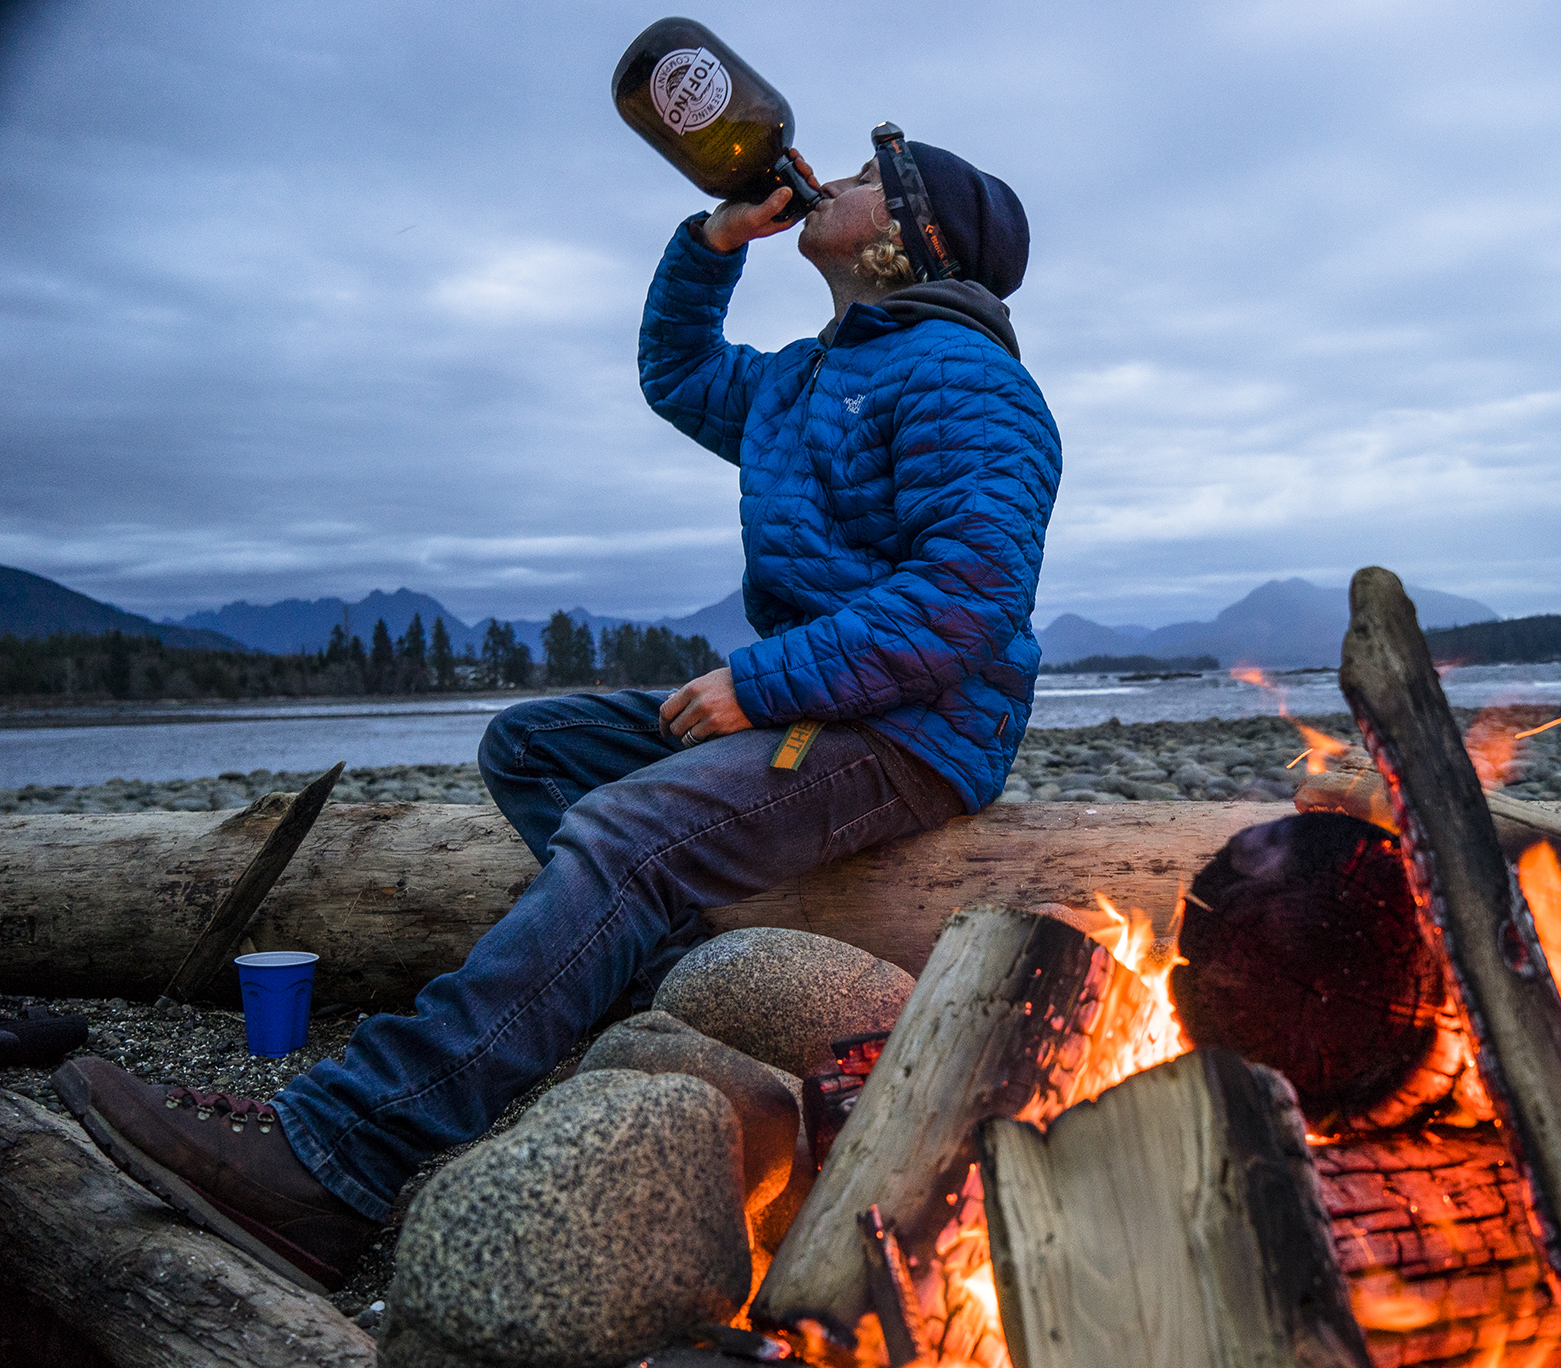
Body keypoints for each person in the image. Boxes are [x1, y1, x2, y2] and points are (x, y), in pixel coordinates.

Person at [54, 125, 1060, 1292]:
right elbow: (678, 375)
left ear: (906, 235)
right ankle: (654, 999)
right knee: (533, 747)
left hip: (909, 732)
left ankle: (335, 1156)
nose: (824, 176)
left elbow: (965, 601)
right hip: (821, 704)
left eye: (865, 179)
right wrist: (712, 241)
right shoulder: (807, 373)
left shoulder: (969, 378)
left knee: (628, 834)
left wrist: (758, 683)